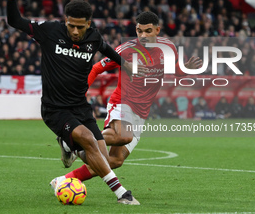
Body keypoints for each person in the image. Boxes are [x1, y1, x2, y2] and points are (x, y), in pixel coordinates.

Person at [6, 0, 144, 205]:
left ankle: (68, 151)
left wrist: (129, 67)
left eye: (81, 26)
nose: (76, 31)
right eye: (71, 25)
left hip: (80, 107)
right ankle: (122, 194)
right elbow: (14, 20)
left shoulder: (94, 37)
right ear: (65, 21)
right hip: (54, 109)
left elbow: (110, 52)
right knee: (88, 139)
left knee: (101, 158)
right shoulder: (49, 31)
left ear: (88, 24)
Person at [50, 11, 201, 190]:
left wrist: (186, 69)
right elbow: (97, 68)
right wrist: (80, 92)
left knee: (114, 160)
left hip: (141, 112)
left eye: (148, 31)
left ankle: (63, 180)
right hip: (123, 102)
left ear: (157, 30)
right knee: (123, 135)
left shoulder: (168, 48)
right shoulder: (127, 50)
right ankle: (76, 141)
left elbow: (174, 69)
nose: (143, 35)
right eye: (139, 31)